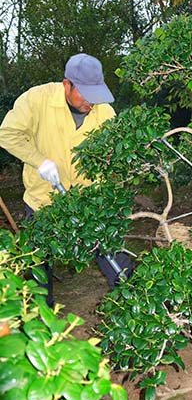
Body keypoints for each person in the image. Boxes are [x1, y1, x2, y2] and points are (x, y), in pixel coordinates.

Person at [0, 53, 133, 305]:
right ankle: (41, 326)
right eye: (84, 94)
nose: (91, 102)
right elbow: (7, 134)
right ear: (66, 84)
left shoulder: (104, 111)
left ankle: (137, 310)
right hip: (44, 202)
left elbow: (114, 155)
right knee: (39, 269)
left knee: (116, 260)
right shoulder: (36, 100)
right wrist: (39, 161)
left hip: (91, 203)